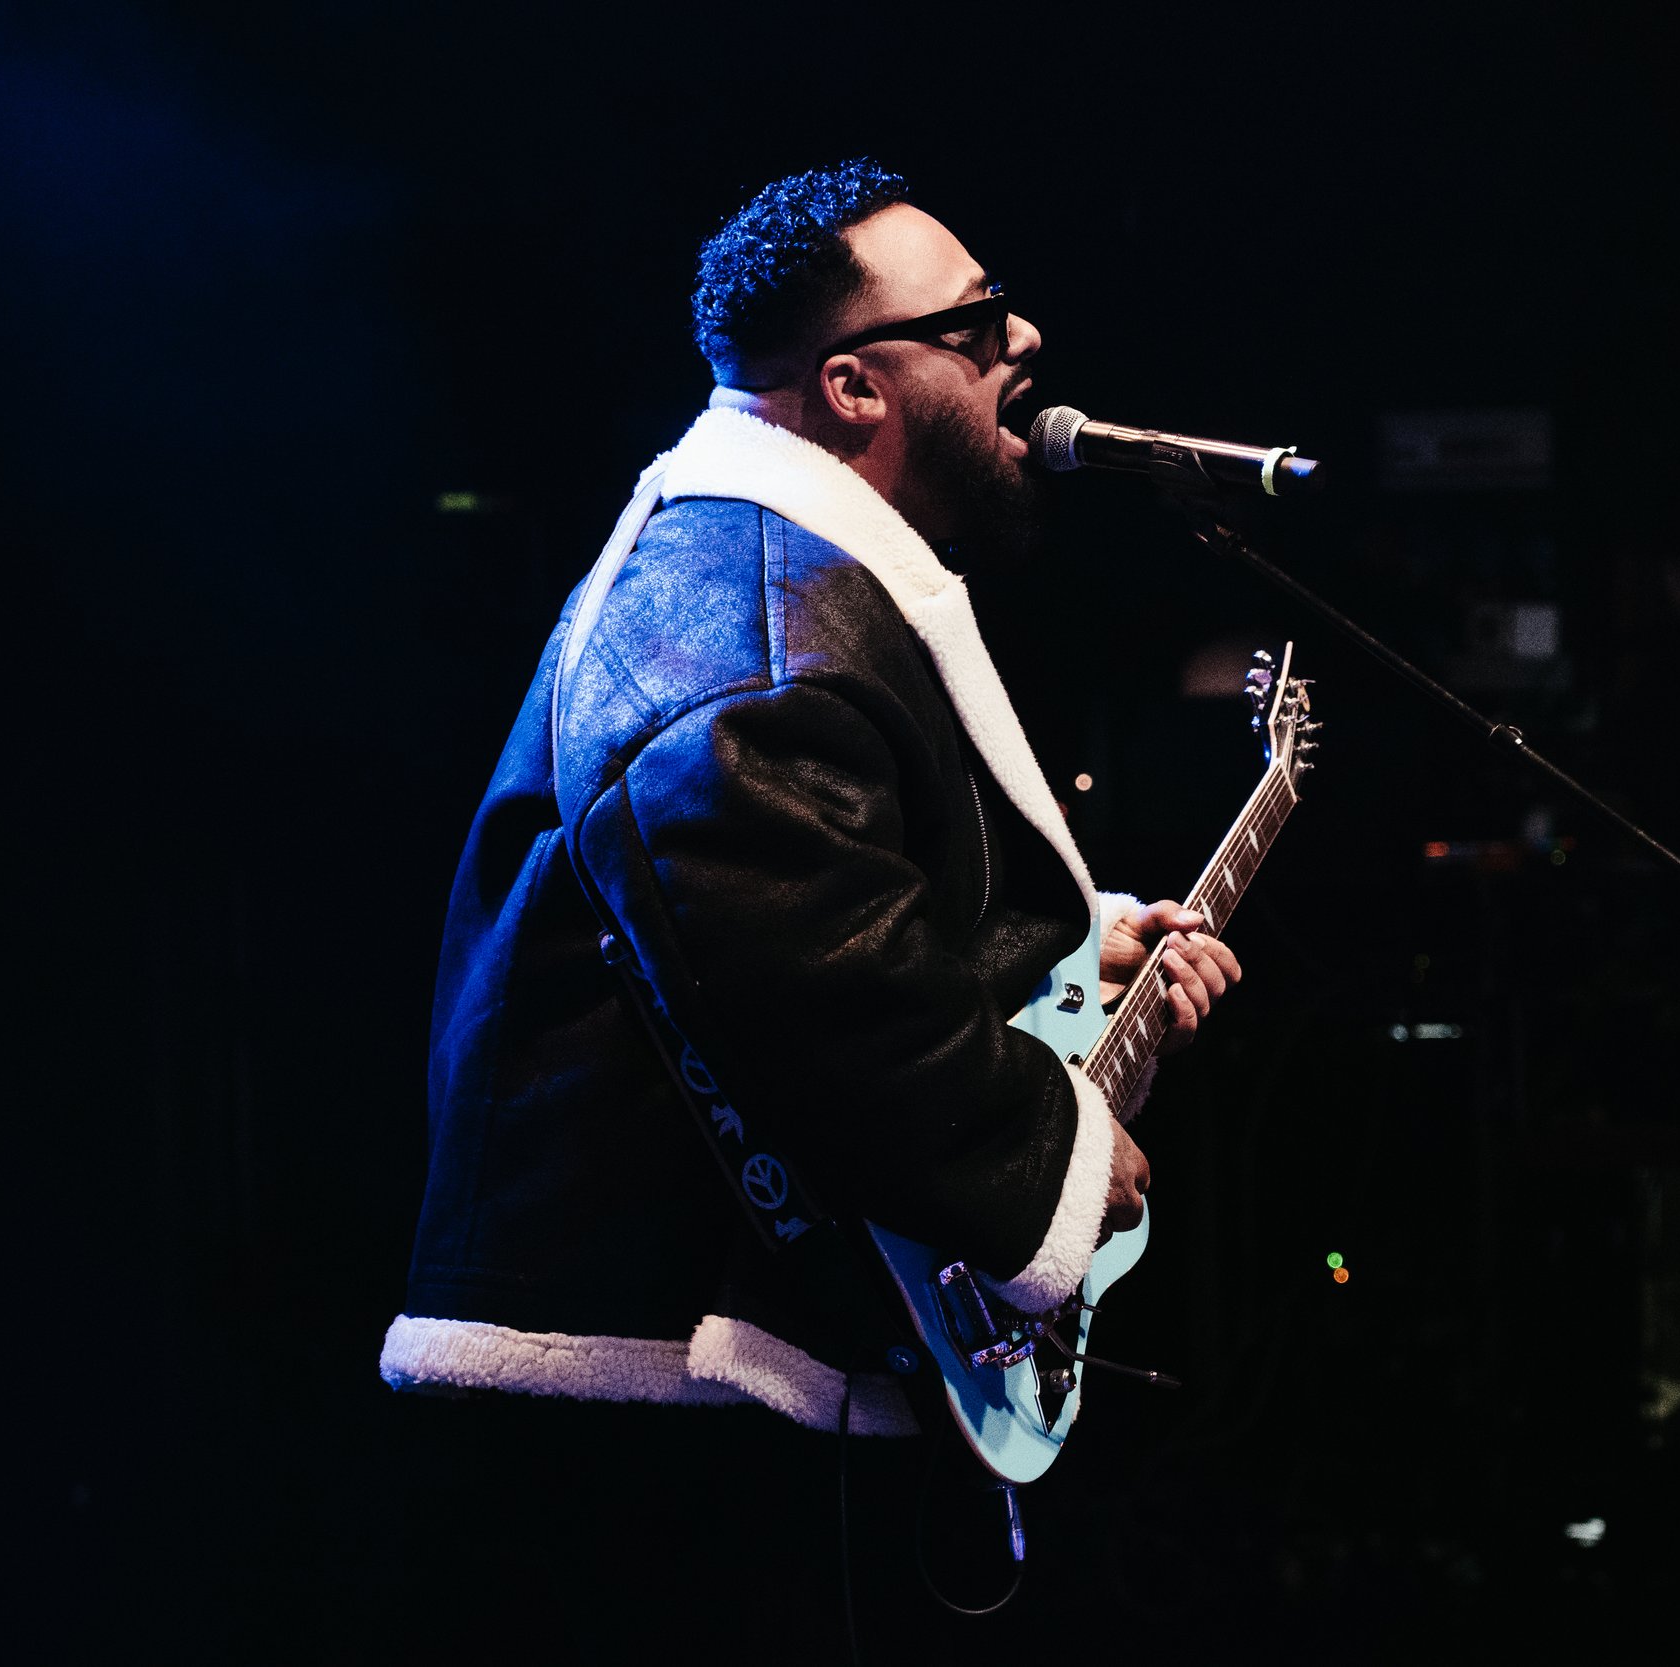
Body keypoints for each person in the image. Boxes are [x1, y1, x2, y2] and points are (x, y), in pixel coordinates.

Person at [379, 160, 1240, 1645]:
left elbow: (803, 898)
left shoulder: (778, 577)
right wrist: (1053, 1160)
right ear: (854, 386)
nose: (1022, 339)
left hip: (720, 1362)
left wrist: (1060, 944)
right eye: (976, 323)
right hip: (667, 1397)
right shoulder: (748, 618)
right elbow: (809, 989)